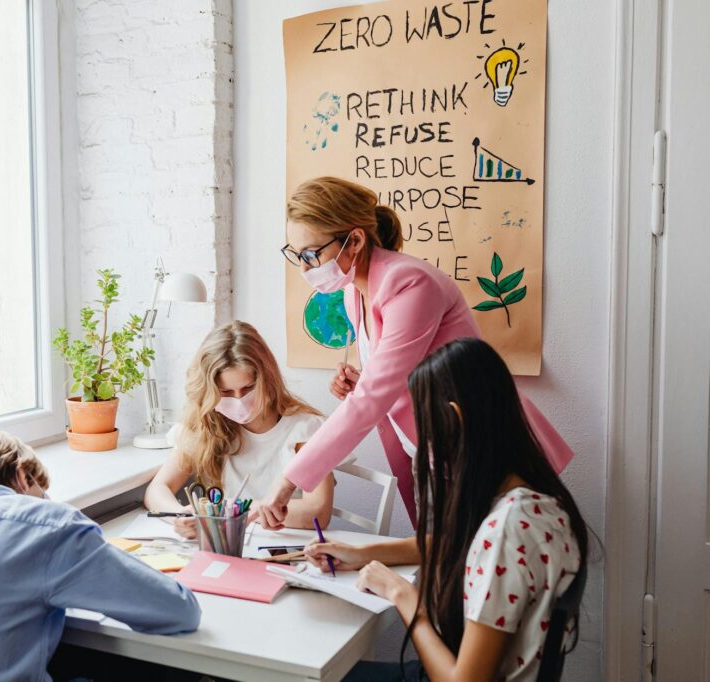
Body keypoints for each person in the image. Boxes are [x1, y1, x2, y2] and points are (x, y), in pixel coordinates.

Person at [262, 177, 574, 530]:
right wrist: (363, 381)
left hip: (482, 449)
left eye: (311, 254)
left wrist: (288, 480)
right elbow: (395, 377)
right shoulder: (353, 294)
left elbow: (375, 396)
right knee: (444, 558)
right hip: (432, 454)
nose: (304, 268)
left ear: (355, 240)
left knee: (495, 559)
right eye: (296, 255)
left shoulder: (410, 283)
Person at [305, 339, 588, 682]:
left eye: (424, 426)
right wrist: (361, 554)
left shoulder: (508, 530)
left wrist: (403, 595)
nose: (424, 442)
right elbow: (453, 542)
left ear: (454, 418)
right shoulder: (535, 502)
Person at [0, 428, 201, 682]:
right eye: (42, 490)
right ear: (23, 476)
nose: (46, 499)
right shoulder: (49, 526)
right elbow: (179, 610)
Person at [144, 321, 334, 539]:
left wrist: (232, 509)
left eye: (249, 388)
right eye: (225, 392)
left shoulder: (305, 429)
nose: (239, 400)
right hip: (227, 546)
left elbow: (317, 512)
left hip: (286, 547)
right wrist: (179, 515)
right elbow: (157, 489)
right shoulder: (204, 427)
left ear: (267, 379)